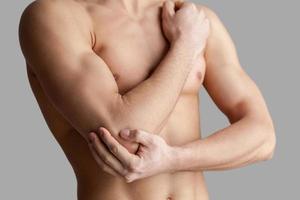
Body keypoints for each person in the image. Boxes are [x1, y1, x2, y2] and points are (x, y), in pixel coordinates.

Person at [18, 0, 276, 199]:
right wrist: (185, 46)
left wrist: (173, 159)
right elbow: (122, 137)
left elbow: (263, 138)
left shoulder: (193, 17)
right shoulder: (53, 17)